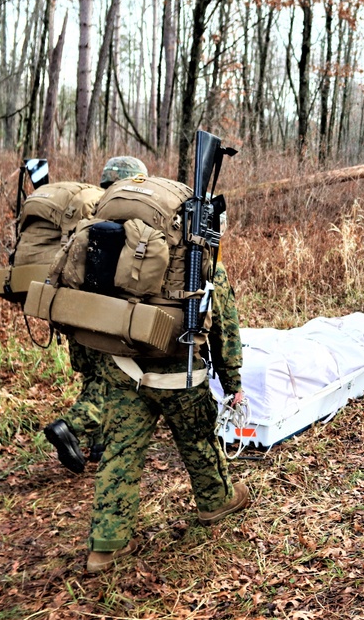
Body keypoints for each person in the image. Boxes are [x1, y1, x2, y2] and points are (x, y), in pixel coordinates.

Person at [85, 257, 247, 573]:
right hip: (180, 374)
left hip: (123, 369)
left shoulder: (118, 246)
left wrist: (94, 368)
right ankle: (216, 501)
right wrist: (232, 384)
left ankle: (106, 546)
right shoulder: (200, 254)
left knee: (120, 453)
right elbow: (223, 327)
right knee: (198, 440)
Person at [43, 156, 148, 474]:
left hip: (73, 312)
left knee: (94, 379)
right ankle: (70, 427)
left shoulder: (83, 213)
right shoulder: (129, 216)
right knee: (114, 382)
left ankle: (99, 445)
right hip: (105, 318)